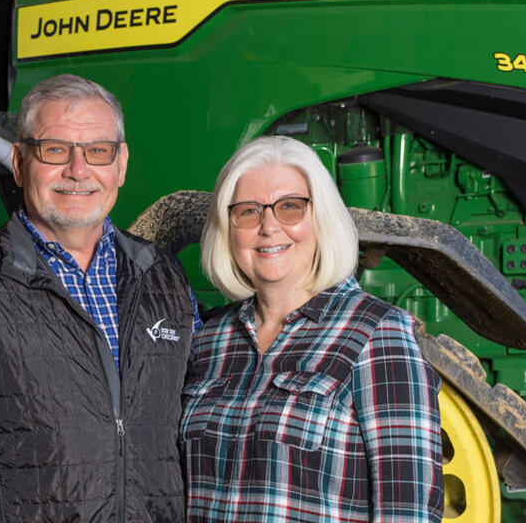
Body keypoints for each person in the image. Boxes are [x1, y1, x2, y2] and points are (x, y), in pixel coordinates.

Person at [0, 74, 201, 521]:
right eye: (55, 150)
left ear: (121, 164)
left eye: (98, 151)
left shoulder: (165, 277)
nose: (78, 170)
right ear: (18, 162)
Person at [184, 135, 444, 522]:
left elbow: (408, 513)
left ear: (321, 218)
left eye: (290, 207)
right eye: (248, 212)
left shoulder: (376, 335)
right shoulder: (208, 340)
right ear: (228, 228)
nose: (269, 227)